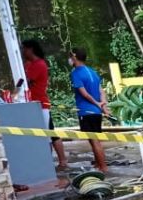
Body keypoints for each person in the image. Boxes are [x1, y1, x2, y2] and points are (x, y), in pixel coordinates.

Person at [22, 40, 68, 171]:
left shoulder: (39, 64)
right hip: (35, 104)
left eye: (25, 49)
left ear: (31, 49)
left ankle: (53, 162)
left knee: (47, 135)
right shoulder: (30, 64)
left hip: (40, 104)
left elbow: (25, 80)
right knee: (50, 133)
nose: (23, 52)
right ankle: (58, 161)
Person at [69, 47, 108, 174]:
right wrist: (102, 106)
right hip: (96, 112)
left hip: (86, 112)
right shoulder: (92, 72)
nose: (69, 59)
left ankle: (103, 167)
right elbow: (101, 90)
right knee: (95, 140)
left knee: (94, 141)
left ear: (74, 57)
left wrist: (97, 103)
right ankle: (98, 164)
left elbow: (84, 94)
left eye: (70, 57)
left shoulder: (76, 73)